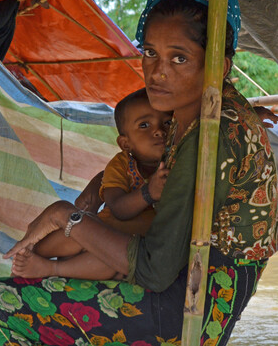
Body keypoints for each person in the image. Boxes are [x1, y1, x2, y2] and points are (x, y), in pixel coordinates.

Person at [0, 0, 278, 345]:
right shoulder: (203, 112)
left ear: (218, 66)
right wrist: (95, 191)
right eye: (150, 53)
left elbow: (154, 271)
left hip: (184, 312)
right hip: (185, 287)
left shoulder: (209, 138)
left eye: (178, 58)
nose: (158, 72)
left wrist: (65, 216)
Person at [12, 89, 172, 280]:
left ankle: (51, 268)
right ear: (125, 144)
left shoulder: (175, 165)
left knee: (108, 264)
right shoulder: (121, 165)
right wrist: (148, 193)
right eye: (144, 125)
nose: (159, 131)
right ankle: (30, 256)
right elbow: (119, 208)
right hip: (99, 230)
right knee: (73, 232)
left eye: (168, 122)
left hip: (124, 248)